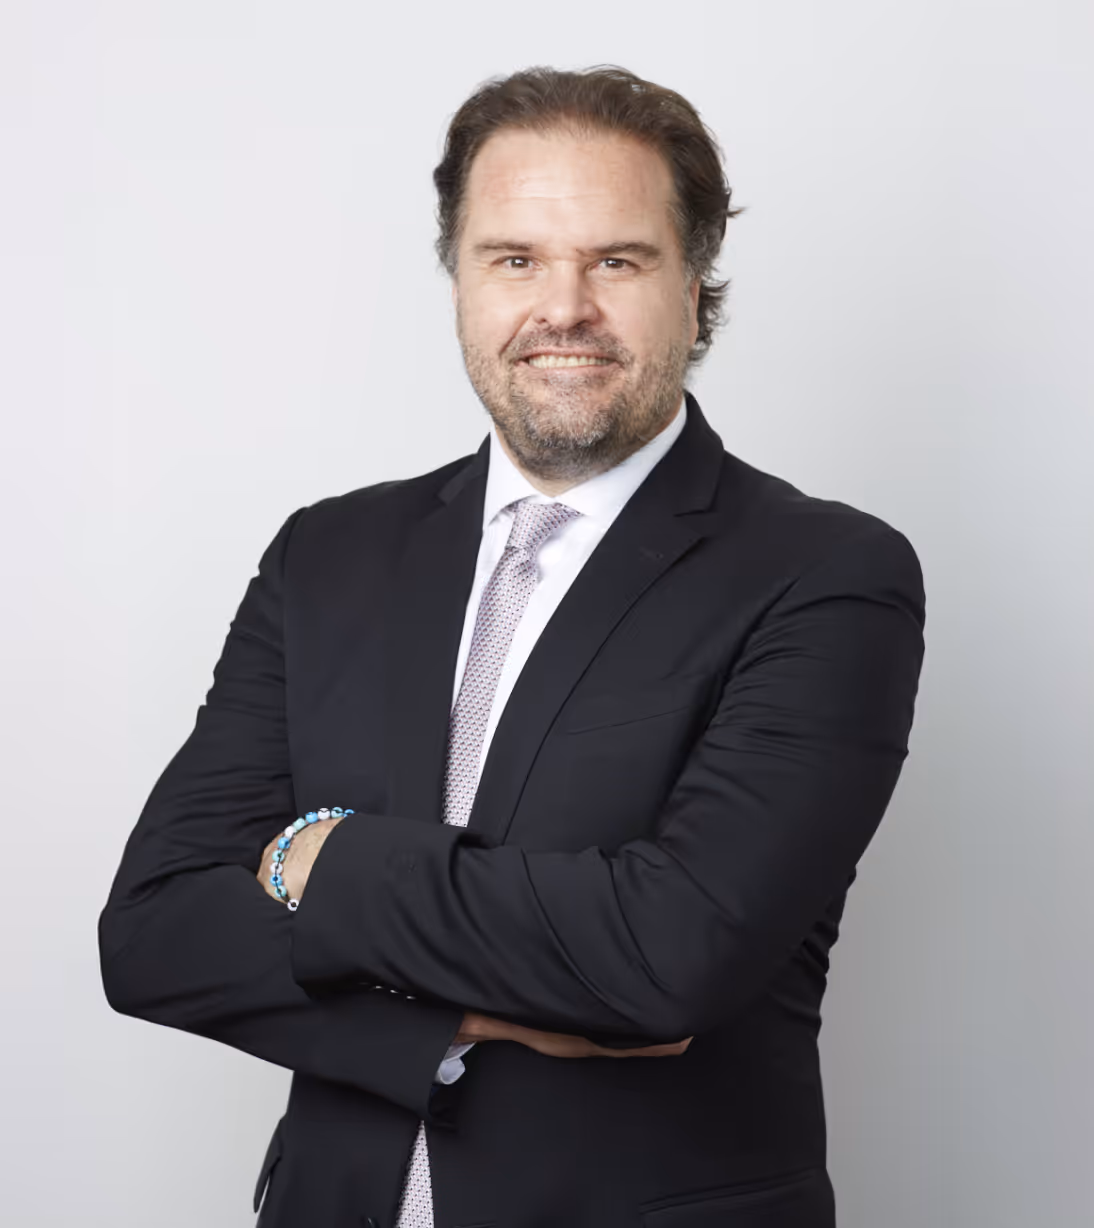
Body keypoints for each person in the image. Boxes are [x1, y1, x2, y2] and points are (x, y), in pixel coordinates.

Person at [99, 64, 926, 1228]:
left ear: (695, 290)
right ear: (460, 281)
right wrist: (456, 1017)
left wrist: (318, 857)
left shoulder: (824, 573)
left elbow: (667, 953)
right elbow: (154, 931)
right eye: (514, 259)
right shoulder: (327, 554)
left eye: (616, 261)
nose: (563, 308)